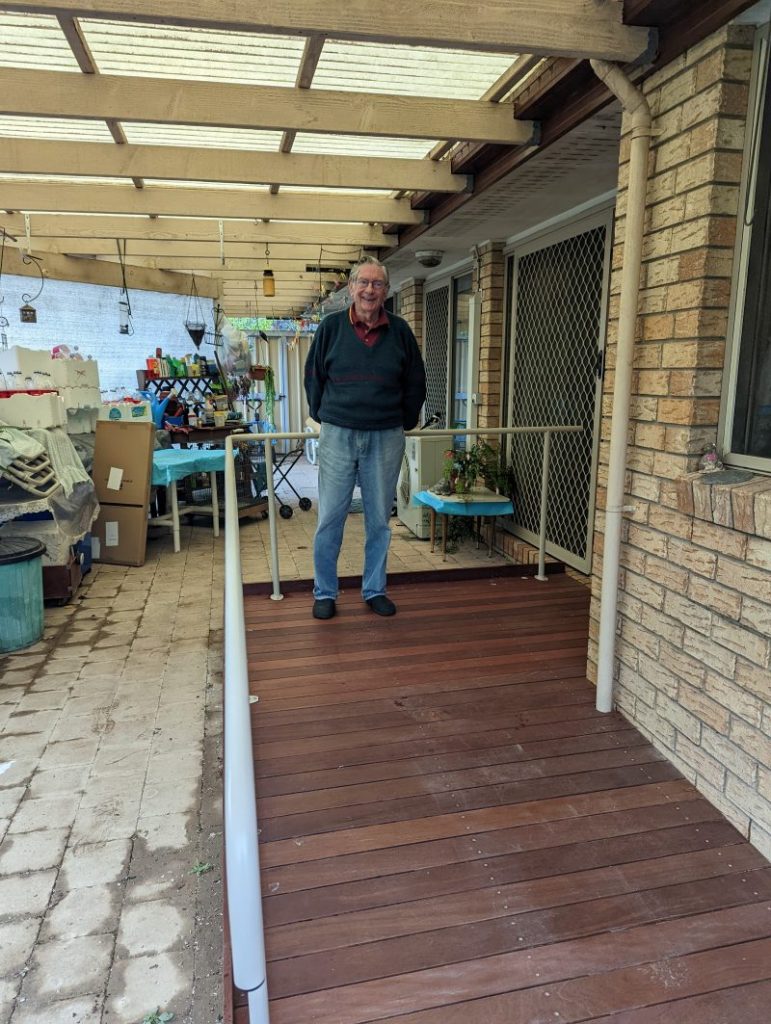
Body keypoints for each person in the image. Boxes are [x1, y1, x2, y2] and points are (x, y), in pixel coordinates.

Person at [304, 256, 426, 620]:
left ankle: (374, 589)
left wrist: (400, 422)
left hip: (386, 436)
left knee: (378, 520)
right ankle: (325, 592)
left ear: (386, 291)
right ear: (351, 287)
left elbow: (415, 381)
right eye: (363, 282)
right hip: (339, 434)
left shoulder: (401, 331)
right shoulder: (329, 328)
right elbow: (313, 377)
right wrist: (325, 417)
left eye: (377, 284)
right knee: (330, 518)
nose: (370, 290)